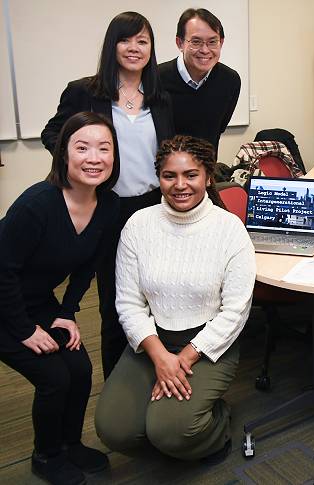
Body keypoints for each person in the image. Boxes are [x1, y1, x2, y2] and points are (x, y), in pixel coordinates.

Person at [94, 135, 256, 464]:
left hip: (208, 344)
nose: (180, 185)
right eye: (170, 176)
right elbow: (127, 303)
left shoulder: (230, 230)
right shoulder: (138, 225)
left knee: (171, 432)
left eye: (191, 175)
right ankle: (169, 425)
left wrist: (182, 359)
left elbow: (235, 311)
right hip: (152, 340)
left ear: (208, 177)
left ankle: (217, 425)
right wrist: (159, 358)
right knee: (113, 430)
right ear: (159, 178)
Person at [41, 12, 175, 378]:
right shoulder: (86, 91)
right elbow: (53, 134)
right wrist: (87, 168)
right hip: (111, 208)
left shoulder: (160, 97)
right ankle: (118, 384)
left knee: (158, 296)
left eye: (143, 41)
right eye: (126, 40)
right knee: (116, 303)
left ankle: (156, 371)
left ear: (151, 48)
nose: (134, 48)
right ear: (112, 45)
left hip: (154, 208)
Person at [0, 112, 120, 485]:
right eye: (82, 147)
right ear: (64, 154)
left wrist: (67, 313)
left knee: (80, 368)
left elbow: (89, 267)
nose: (94, 157)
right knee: (54, 376)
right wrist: (23, 330)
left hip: (36, 300)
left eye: (104, 148)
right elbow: (2, 271)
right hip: (4, 303)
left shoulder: (109, 205)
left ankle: (69, 443)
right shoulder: (37, 204)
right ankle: (46, 455)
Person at [158, 8, 241, 155]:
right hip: (164, 173)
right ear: (180, 43)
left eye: (212, 42)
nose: (205, 50)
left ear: (221, 43)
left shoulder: (230, 81)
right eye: (196, 42)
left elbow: (218, 129)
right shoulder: (156, 78)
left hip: (206, 173)